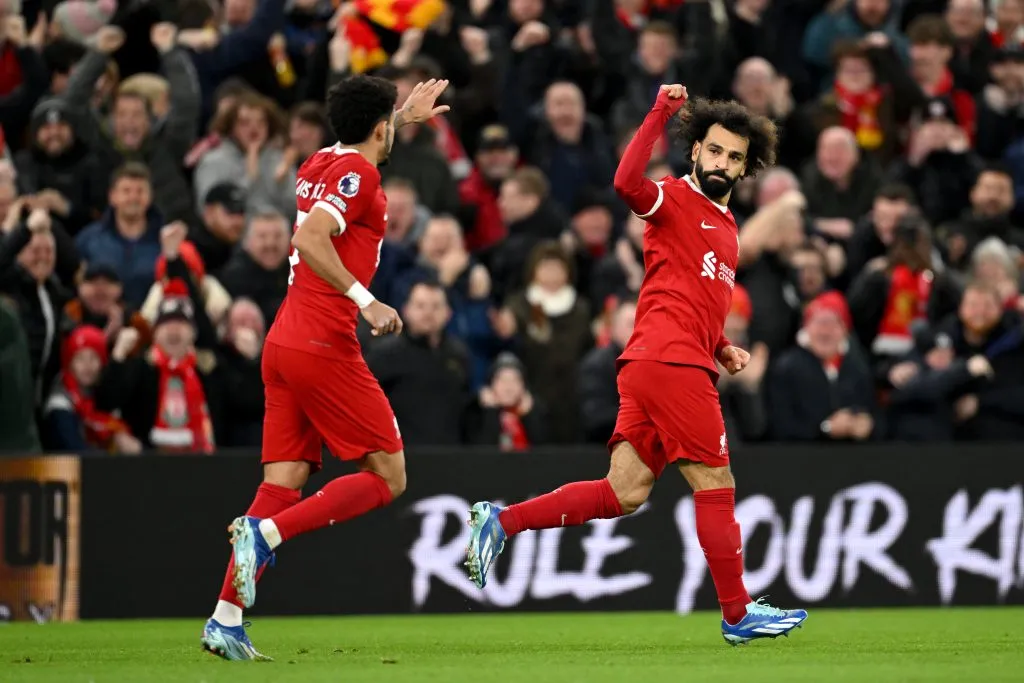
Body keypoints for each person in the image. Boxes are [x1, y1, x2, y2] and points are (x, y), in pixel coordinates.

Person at [464, 85, 809, 645]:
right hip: (670, 365)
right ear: (696, 151)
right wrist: (658, 114)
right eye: (715, 151)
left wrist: (720, 343)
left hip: (656, 361)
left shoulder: (726, 227)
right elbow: (625, 183)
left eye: (735, 157)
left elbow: (687, 293)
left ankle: (501, 522)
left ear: (746, 168)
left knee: (622, 493)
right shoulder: (673, 197)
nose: (723, 163)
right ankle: (738, 613)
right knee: (715, 482)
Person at [200, 74, 451, 661]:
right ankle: (269, 534)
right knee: (390, 475)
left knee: (281, 484)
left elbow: (356, 157)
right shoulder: (360, 175)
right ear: (379, 127)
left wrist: (401, 118)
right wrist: (368, 301)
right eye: (389, 120)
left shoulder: (320, 160)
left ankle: (226, 617)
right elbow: (311, 236)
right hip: (322, 342)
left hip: (282, 342)